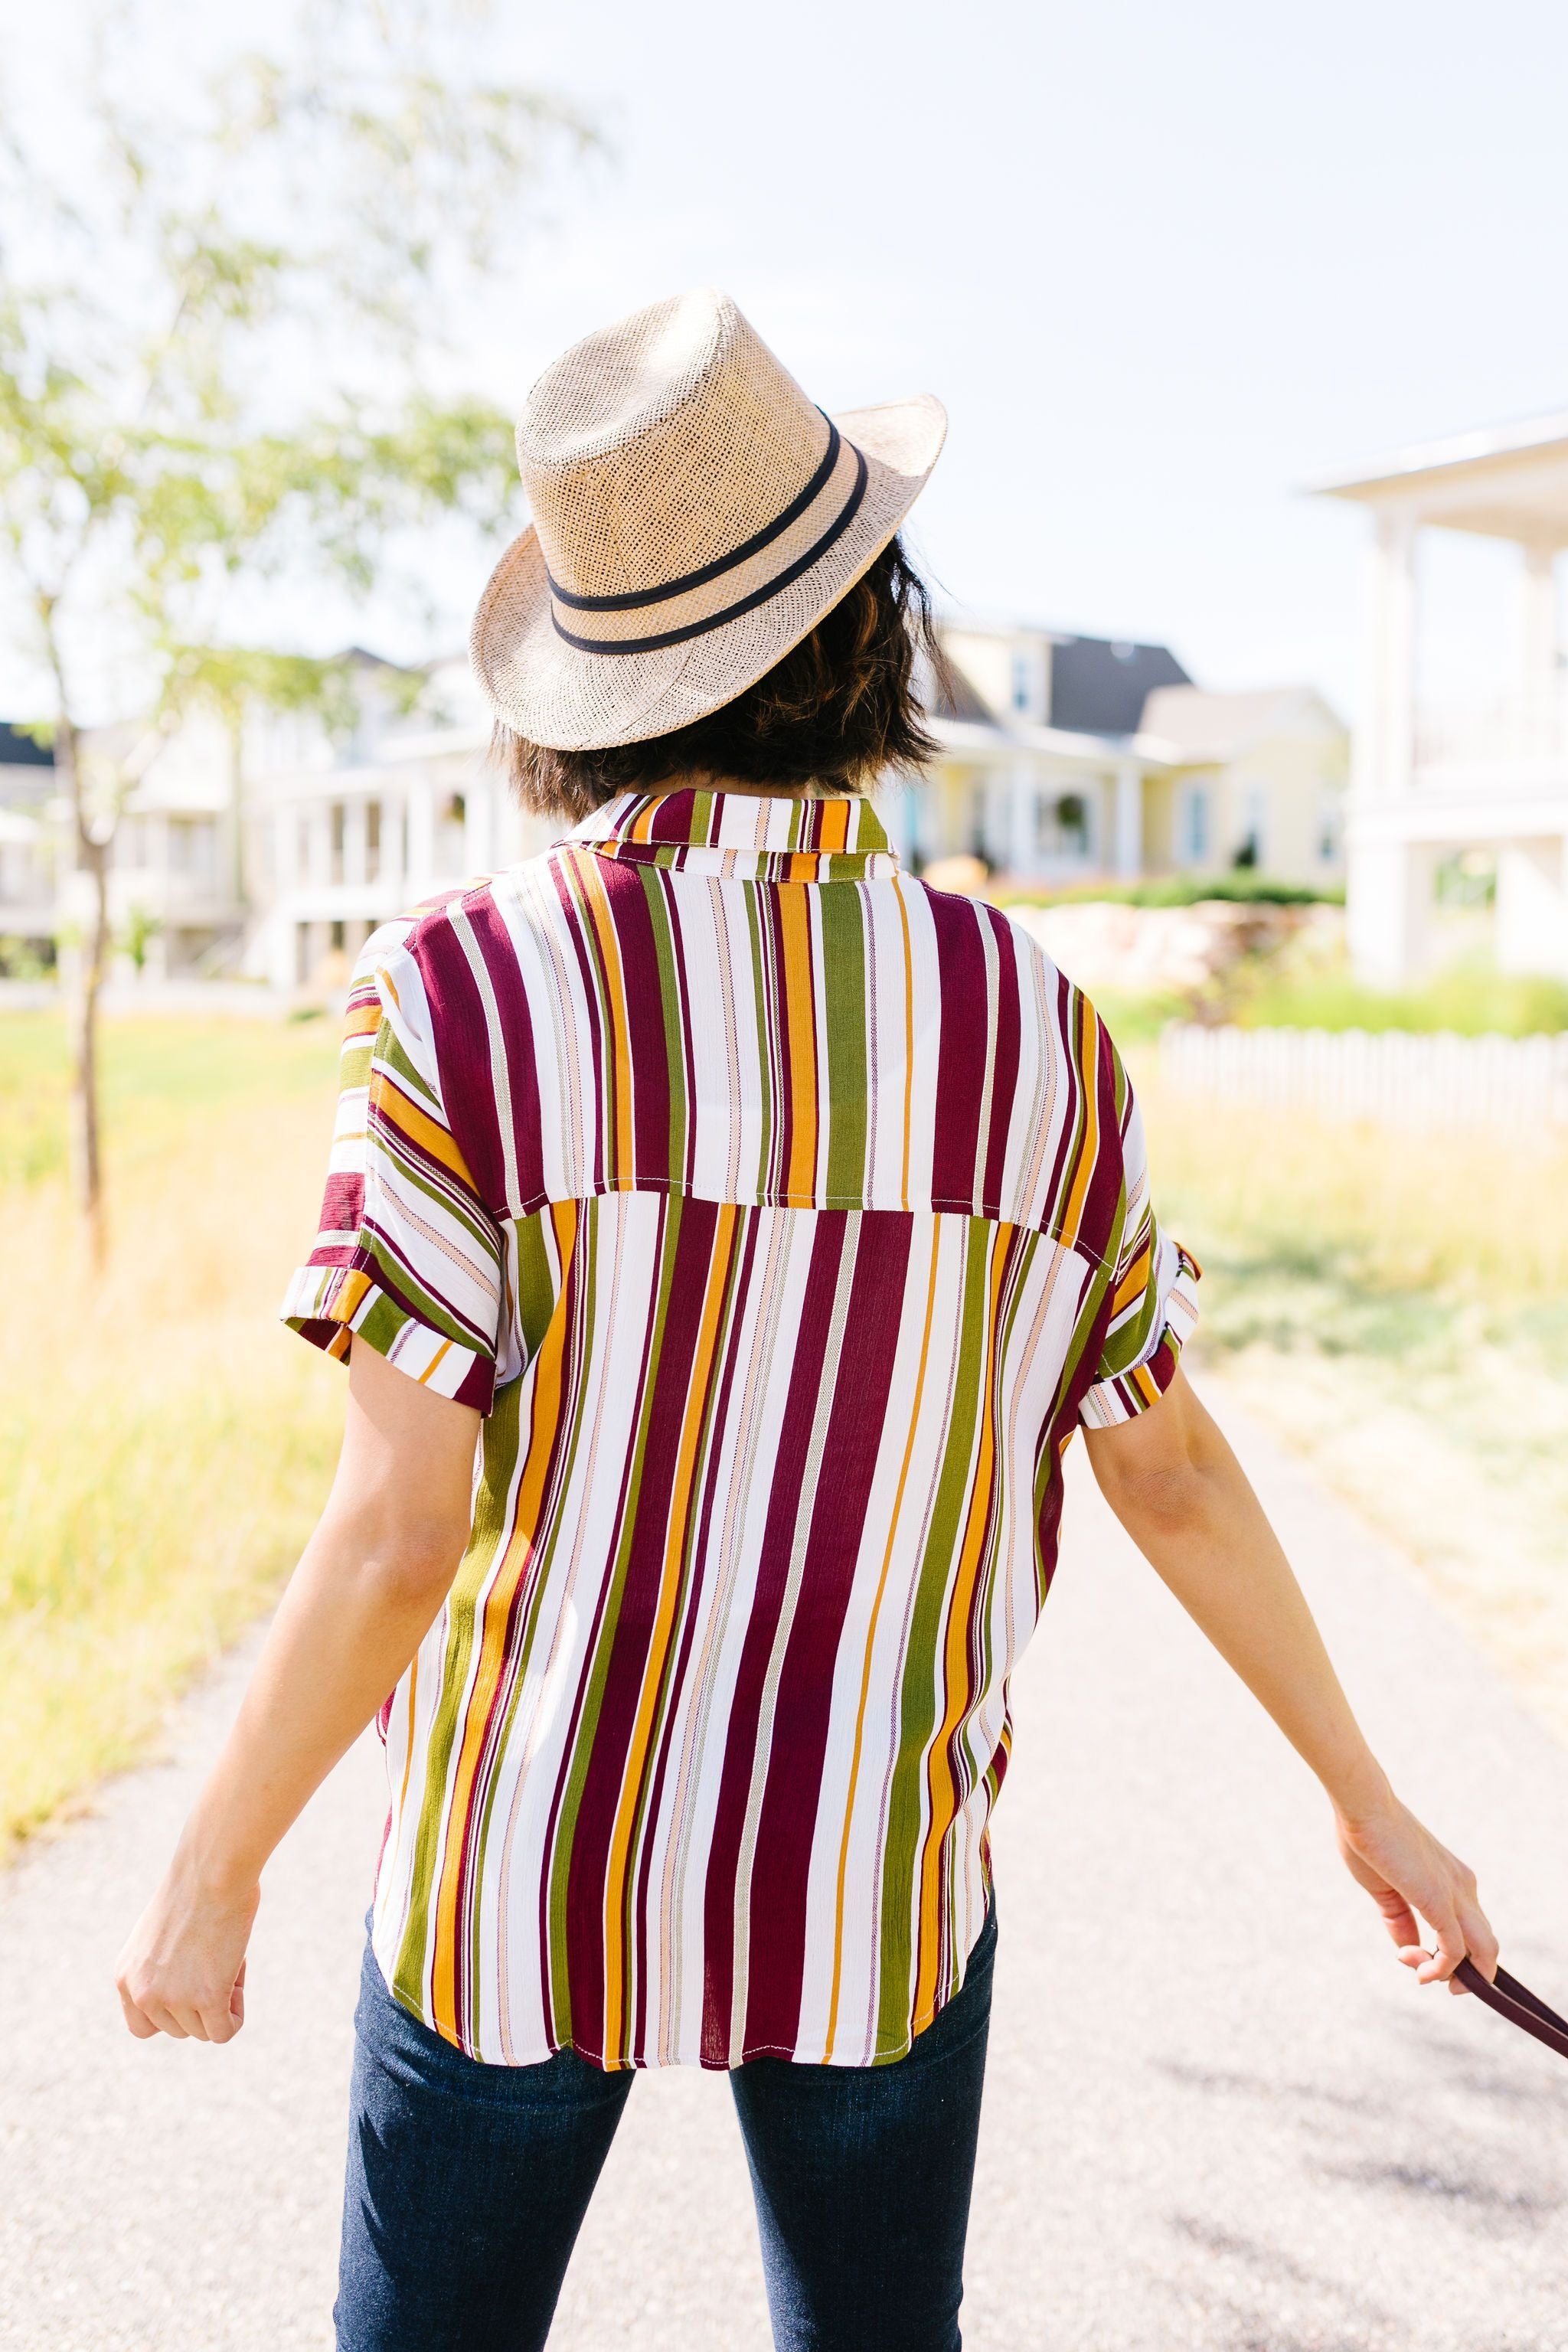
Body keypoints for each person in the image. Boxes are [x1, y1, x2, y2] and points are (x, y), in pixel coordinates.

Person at [116, 289, 1498, 2352]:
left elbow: (405, 1529)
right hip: (871, 1878)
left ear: (581, 683)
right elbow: (1175, 1469)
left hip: (515, 1879)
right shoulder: (1035, 1028)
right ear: (878, 636)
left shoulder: (459, 993)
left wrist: (214, 1869)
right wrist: (1367, 1798)